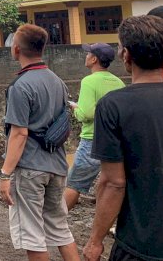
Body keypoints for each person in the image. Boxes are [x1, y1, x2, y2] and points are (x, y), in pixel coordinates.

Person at [83, 15, 163, 261]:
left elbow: (113, 183)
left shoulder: (113, 106)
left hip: (140, 244)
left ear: (126, 56)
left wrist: (95, 241)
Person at [0, 24, 79, 261]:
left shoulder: (20, 86)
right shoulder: (57, 81)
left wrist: (5, 175)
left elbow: (19, 134)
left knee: (32, 235)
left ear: (15, 50)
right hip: (57, 165)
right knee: (60, 230)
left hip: (30, 168)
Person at [63, 43, 124, 211]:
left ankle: (56, 224)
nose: (86, 56)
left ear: (94, 59)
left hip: (92, 139)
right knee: (107, 182)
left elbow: (86, 115)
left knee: (74, 183)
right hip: (115, 141)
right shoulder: (118, 81)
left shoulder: (89, 81)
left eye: (88, 53)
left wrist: (75, 108)